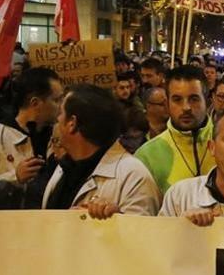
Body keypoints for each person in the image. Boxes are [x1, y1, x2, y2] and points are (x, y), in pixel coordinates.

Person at [42, 84, 160, 216]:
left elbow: (142, 233)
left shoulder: (133, 176)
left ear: (72, 123)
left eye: (60, 114)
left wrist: (115, 219)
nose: (56, 120)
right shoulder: (64, 167)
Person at [0, 67, 63, 192]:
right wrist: (14, 178)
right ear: (35, 103)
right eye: (56, 100)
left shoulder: (62, 137)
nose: (61, 105)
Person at [135, 66, 215, 194]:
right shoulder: (147, 155)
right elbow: (141, 209)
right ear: (167, 104)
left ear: (208, 101)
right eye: (177, 99)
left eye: (194, 99)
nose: (186, 107)